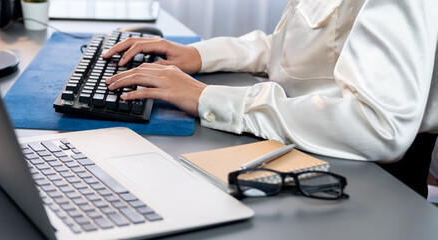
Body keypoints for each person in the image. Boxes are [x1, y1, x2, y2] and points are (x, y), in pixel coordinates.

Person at [102, 0, 438, 196]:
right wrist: (197, 55)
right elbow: (292, 52)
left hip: (366, 179)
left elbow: (378, 125)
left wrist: (210, 98)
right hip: (296, 136)